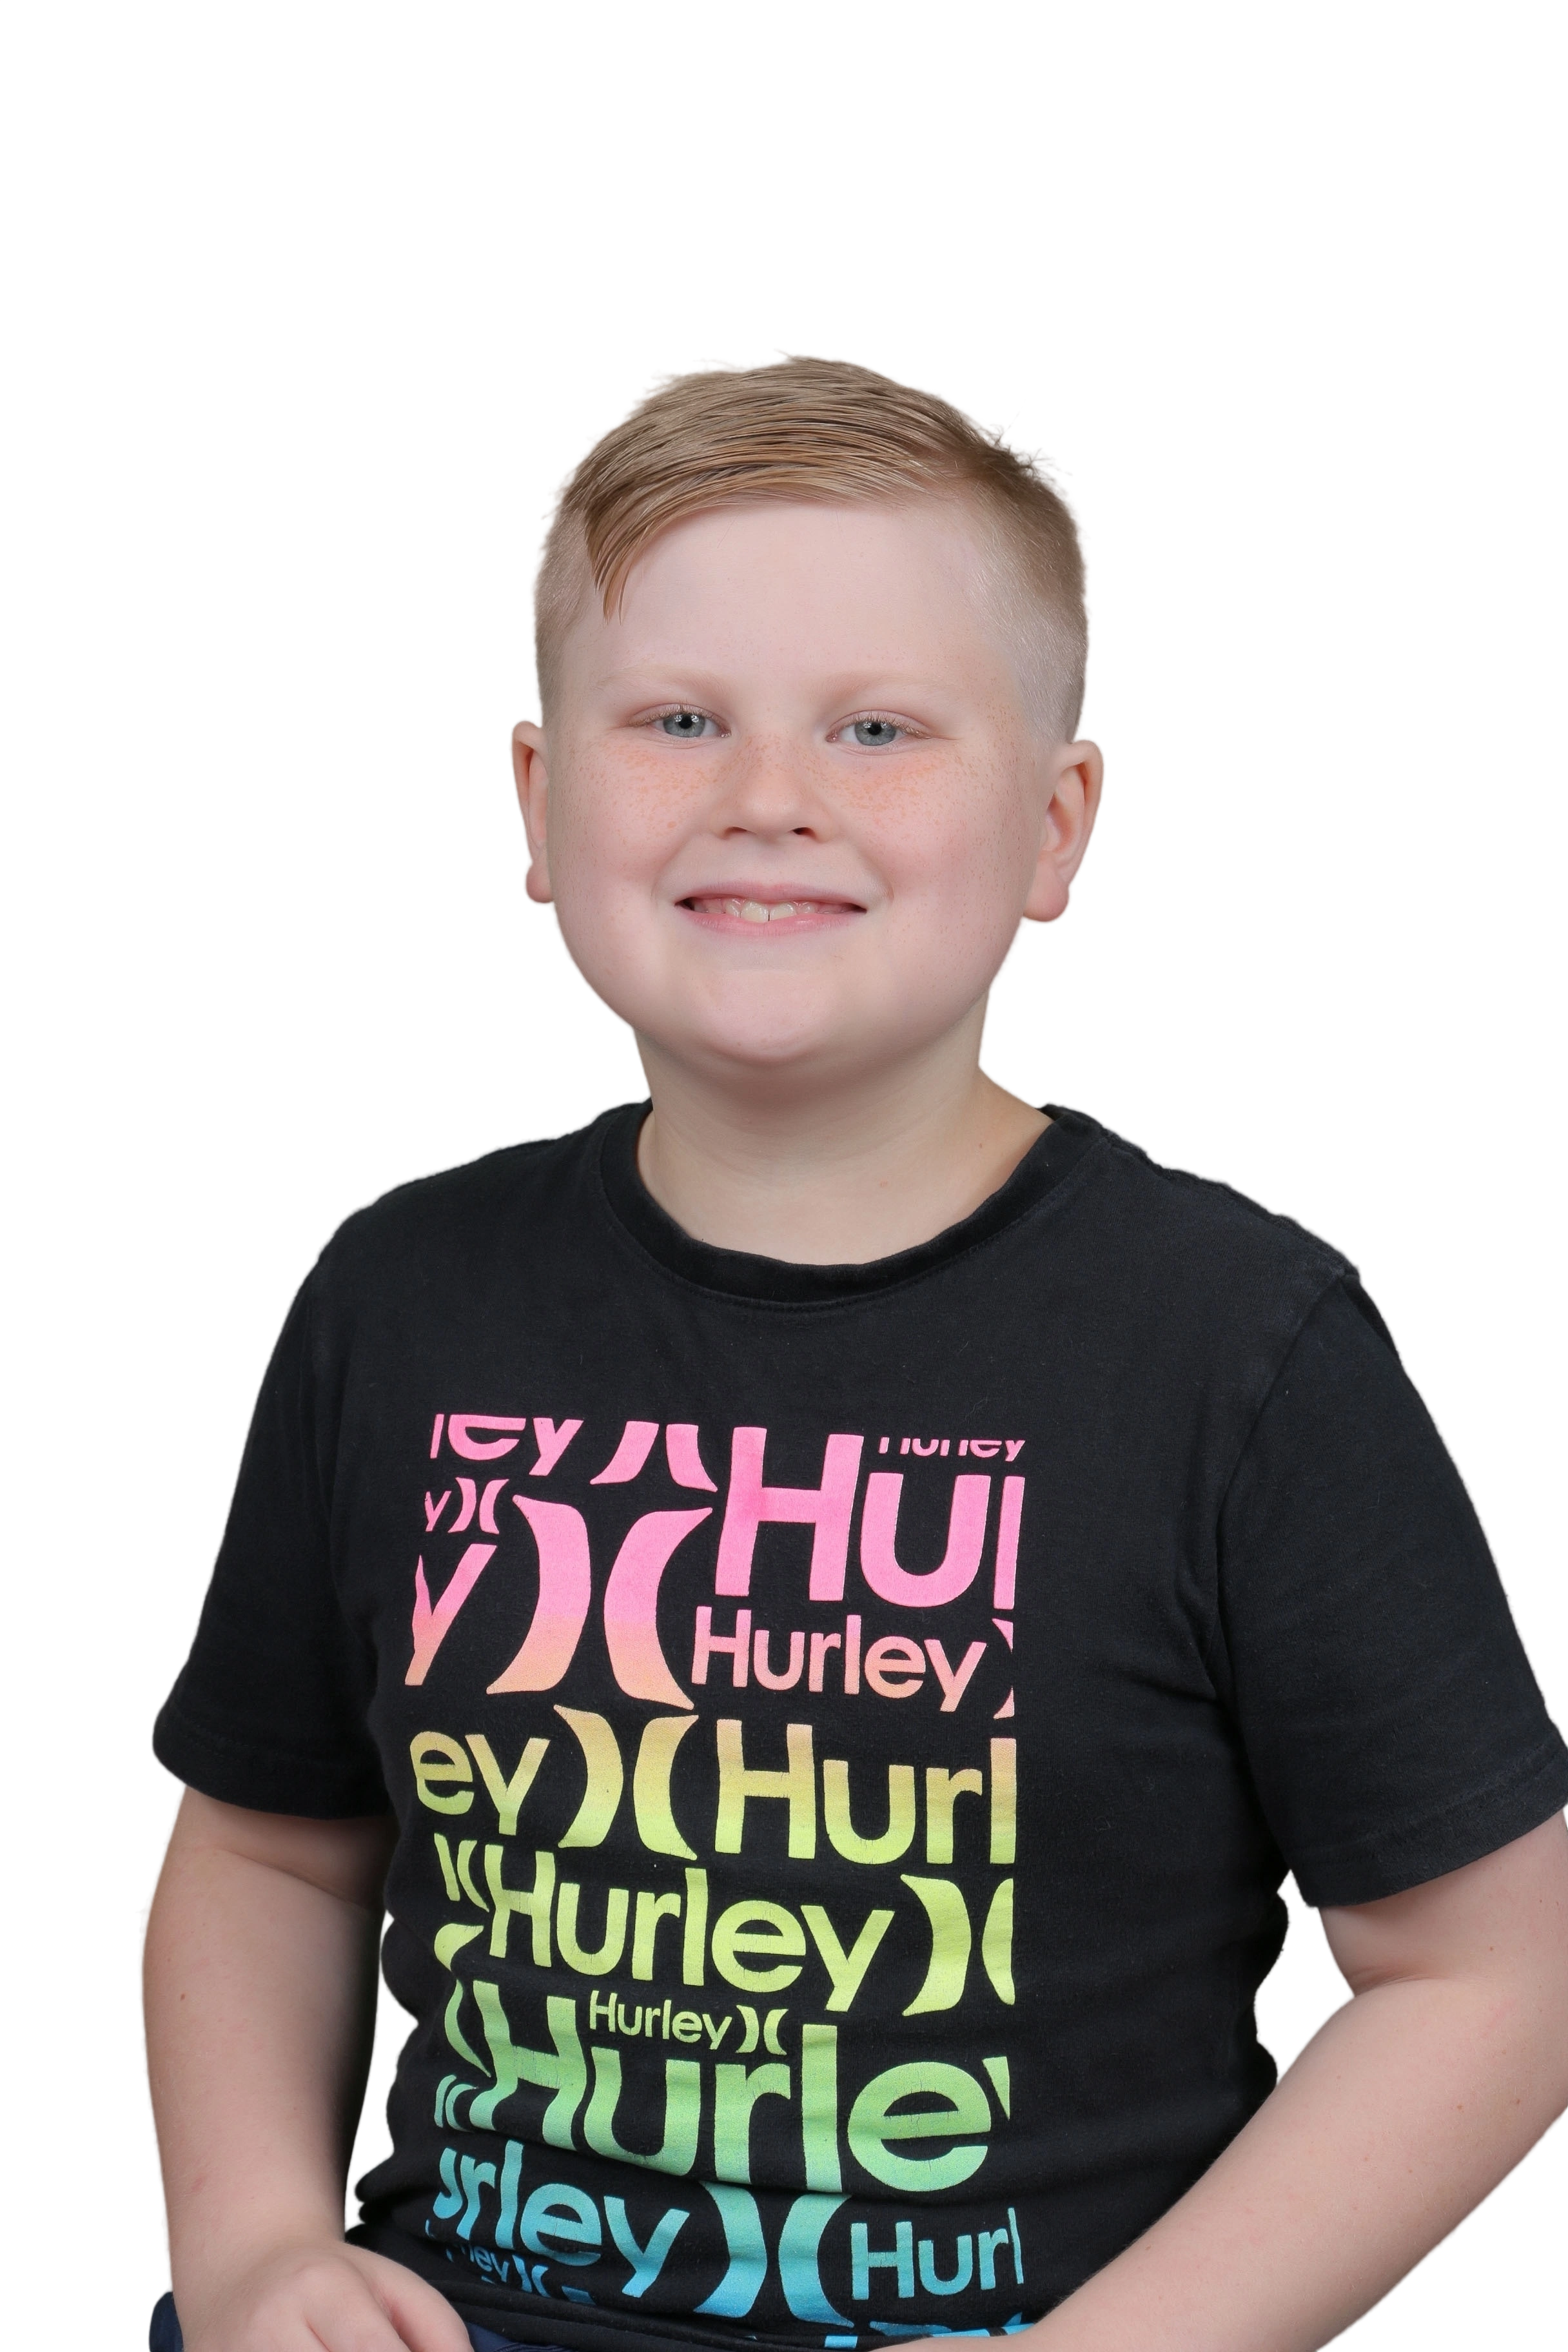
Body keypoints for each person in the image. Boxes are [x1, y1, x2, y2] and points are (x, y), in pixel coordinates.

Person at [139, 348, 1568, 2352]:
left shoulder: (1244, 1354)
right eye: (679, 719)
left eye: (877, 726)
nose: (768, 797)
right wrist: (261, 2255)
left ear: (1058, 827)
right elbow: (268, 1857)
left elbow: (1496, 1975)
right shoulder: (393, 1297)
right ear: (541, 800)